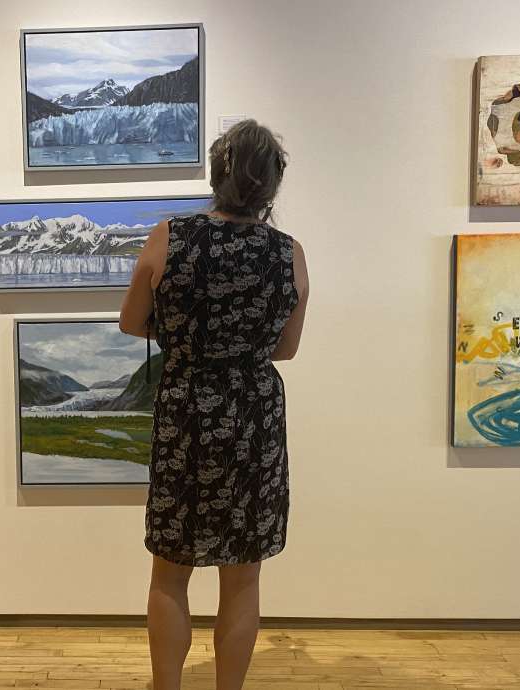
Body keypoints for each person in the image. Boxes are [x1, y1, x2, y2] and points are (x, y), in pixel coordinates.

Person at [118, 119, 310, 690]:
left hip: (186, 412)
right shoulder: (289, 254)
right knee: (242, 579)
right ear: (273, 184)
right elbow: (288, 349)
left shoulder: (169, 237)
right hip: (253, 417)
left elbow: (131, 321)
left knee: (170, 573)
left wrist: (181, 335)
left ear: (216, 173)